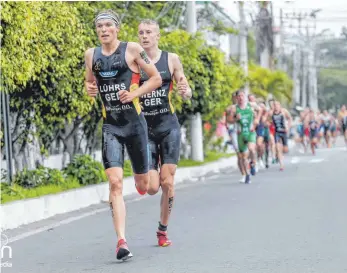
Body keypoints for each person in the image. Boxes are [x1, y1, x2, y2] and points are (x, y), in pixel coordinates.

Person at [84, 10, 162, 260]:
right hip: (111, 127)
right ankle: (122, 242)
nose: (103, 30)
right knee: (115, 183)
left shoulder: (132, 50)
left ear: (117, 28)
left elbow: (156, 78)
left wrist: (135, 94)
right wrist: (90, 89)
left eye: (108, 25)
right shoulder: (91, 55)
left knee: (147, 187)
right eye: (100, 26)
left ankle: (151, 172)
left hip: (135, 125)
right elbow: (89, 82)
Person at [137, 19, 192, 247]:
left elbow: (185, 88)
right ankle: (146, 176)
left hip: (168, 127)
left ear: (157, 35)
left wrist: (185, 90)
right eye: (141, 32)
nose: (144, 36)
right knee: (151, 188)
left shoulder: (171, 59)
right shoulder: (133, 61)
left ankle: (162, 230)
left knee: (168, 183)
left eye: (149, 32)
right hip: (144, 130)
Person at [229, 89, 260, 183]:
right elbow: (229, 120)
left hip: (250, 132)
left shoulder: (251, 105)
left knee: (251, 149)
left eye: (242, 96)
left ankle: (253, 164)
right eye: (239, 96)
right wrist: (235, 119)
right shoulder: (234, 108)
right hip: (240, 134)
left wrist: (257, 119)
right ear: (236, 98)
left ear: (245, 97)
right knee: (243, 157)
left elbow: (261, 110)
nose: (240, 98)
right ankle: (247, 175)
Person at [226, 92, 247, 182]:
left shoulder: (247, 106)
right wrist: (235, 119)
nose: (238, 98)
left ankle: (249, 169)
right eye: (236, 97)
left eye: (239, 97)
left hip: (245, 132)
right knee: (239, 155)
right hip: (235, 132)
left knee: (246, 154)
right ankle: (243, 174)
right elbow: (228, 120)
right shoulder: (231, 108)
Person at [268, 101, 292, 171]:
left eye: (277, 105)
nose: (275, 106)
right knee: (278, 148)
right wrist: (269, 123)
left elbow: (290, 118)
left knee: (285, 150)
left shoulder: (284, 111)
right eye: (274, 105)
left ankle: (280, 155)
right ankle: (281, 165)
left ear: (280, 105)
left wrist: (288, 126)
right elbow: (267, 121)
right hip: (277, 132)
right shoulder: (271, 113)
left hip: (284, 132)